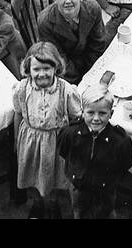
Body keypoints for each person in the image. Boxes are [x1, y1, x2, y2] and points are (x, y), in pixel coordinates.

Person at [13, 41, 82, 219]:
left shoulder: (66, 90)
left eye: (47, 68)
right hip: (29, 141)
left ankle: (52, 205)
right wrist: (16, 141)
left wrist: (73, 146)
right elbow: (18, 114)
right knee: (31, 174)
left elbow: (76, 119)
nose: (42, 73)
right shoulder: (22, 89)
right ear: (28, 69)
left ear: (56, 68)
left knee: (54, 177)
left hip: (57, 143)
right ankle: (37, 204)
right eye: (36, 69)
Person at [57, 91, 132, 219]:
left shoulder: (120, 141)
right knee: (79, 210)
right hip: (79, 186)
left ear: (111, 114)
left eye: (103, 113)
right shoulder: (70, 133)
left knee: (106, 212)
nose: (96, 118)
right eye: (90, 112)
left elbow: (126, 162)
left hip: (106, 188)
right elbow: (64, 152)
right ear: (82, 112)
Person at [35, 0, 108, 83]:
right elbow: (58, 58)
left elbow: (98, 44)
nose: (68, 1)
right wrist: (78, 82)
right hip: (66, 68)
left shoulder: (93, 9)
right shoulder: (45, 22)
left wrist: (92, 73)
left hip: (88, 58)